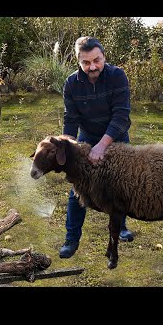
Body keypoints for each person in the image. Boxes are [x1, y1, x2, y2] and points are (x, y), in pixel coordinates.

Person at [59, 36, 134, 259]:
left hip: (117, 137)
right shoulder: (71, 84)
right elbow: (70, 119)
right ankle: (71, 239)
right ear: (79, 62)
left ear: (103, 57)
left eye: (96, 60)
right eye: (86, 63)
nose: (93, 67)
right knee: (77, 189)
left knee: (120, 185)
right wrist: (68, 149)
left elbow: (122, 115)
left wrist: (102, 146)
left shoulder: (117, 76)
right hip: (87, 137)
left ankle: (121, 227)